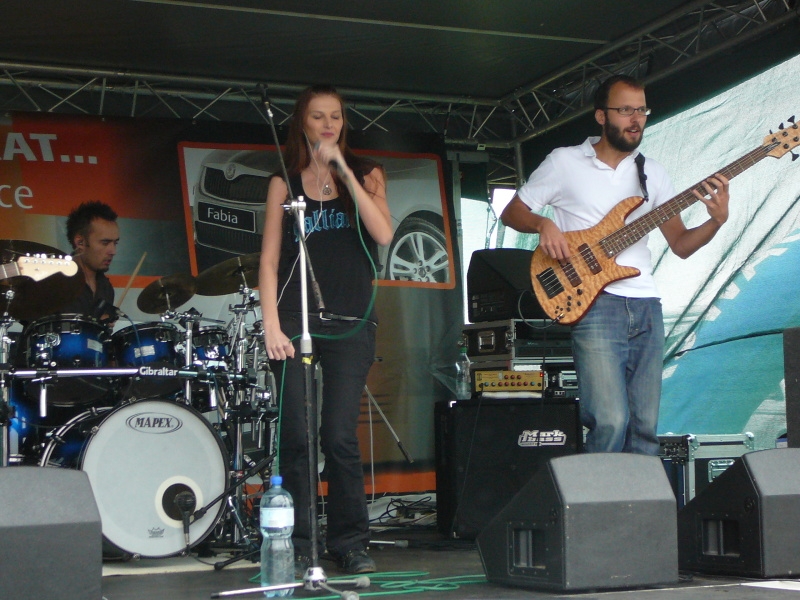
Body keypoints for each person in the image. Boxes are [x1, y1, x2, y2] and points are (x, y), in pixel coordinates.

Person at [500, 74, 730, 455]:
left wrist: (716, 222)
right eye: (625, 110)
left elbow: (680, 244)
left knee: (644, 428)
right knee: (609, 421)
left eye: (641, 110)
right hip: (594, 304)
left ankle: (639, 496)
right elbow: (512, 211)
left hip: (646, 305)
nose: (636, 119)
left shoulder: (652, 173)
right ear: (601, 116)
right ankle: (597, 496)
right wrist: (543, 224)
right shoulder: (564, 162)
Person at [258, 85, 392, 575]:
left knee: (338, 435)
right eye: (318, 117)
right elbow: (269, 260)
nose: (329, 124)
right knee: (297, 434)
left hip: (352, 320)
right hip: (295, 320)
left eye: (335, 116)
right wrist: (271, 325)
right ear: (302, 123)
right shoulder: (284, 182)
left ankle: (350, 542)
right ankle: (297, 542)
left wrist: (345, 174)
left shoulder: (367, 173)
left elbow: (383, 233)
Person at [61, 201, 120, 320]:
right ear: (80, 242)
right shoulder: (54, 282)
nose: (113, 251)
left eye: (115, 243)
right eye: (105, 243)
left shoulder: (106, 287)